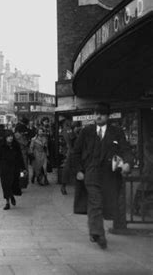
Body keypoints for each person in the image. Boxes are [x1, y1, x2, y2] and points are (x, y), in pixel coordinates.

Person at [68, 102, 133, 249]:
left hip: (109, 176)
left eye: (102, 114)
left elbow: (126, 149)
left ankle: (94, 230)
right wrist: (78, 170)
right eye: (96, 113)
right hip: (91, 174)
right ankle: (98, 233)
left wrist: (128, 162)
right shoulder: (86, 131)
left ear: (108, 116)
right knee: (95, 201)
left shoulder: (116, 132)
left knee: (104, 205)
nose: (98, 116)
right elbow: (76, 152)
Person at [0, 131, 25, 210]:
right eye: (9, 136)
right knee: (5, 185)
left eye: (11, 136)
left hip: (14, 168)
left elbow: (20, 157)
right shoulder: (1, 146)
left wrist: (23, 167)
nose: (10, 138)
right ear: (6, 137)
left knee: (13, 183)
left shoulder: (16, 145)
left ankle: (11, 195)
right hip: (4, 168)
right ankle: (7, 202)